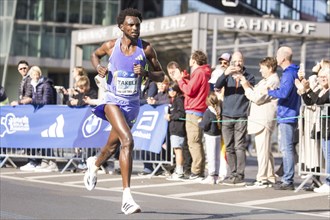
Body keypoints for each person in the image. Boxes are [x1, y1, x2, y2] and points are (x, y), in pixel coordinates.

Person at [85, 8, 165, 215]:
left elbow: (161, 75)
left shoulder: (146, 49)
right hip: (112, 100)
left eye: (137, 24)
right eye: (130, 24)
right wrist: (99, 68)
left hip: (132, 104)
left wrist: (146, 72)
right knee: (127, 141)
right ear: (121, 27)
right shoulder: (111, 46)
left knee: (112, 146)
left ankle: (94, 164)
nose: (135, 28)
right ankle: (127, 198)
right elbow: (95, 55)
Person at [214, 51, 255, 186]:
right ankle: (232, 174)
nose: (237, 63)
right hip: (226, 115)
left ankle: (240, 174)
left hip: (241, 116)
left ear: (243, 62)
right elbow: (217, 86)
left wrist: (244, 81)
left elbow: (252, 92)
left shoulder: (249, 76)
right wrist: (225, 74)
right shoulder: (227, 75)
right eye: (235, 61)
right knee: (229, 147)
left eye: (240, 61)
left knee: (239, 146)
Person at [238, 57, 280, 187]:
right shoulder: (266, 80)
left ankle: (262, 178)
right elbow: (256, 92)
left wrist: (245, 86)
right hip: (261, 119)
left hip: (264, 119)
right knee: (266, 150)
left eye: (262, 67)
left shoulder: (273, 81)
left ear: (270, 68)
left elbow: (257, 98)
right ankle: (270, 176)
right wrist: (249, 86)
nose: (260, 70)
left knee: (262, 151)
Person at [170, 50, 211, 180]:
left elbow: (189, 90)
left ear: (193, 60)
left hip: (194, 110)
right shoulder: (202, 72)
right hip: (197, 109)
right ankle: (198, 170)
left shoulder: (199, 72)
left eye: (190, 58)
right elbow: (193, 88)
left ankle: (196, 171)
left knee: (194, 142)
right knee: (195, 142)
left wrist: (180, 80)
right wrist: (185, 78)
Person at [265, 46, 301, 190]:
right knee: (288, 148)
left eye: (277, 55)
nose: (276, 58)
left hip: (287, 115)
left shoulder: (288, 73)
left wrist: (270, 91)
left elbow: (284, 93)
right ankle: (287, 178)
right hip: (289, 113)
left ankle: (288, 180)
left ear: (283, 58)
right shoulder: (293, 72)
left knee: (286, 149)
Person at [295, 66, 330, 193]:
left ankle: (329, 182)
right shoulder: (321, 89)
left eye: (325, 76)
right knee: (326, 154)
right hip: (322, 126)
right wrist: (304, 91)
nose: (322, 79)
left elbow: (320, 101)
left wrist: (308, 88)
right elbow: (310, 102)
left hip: (328, 126)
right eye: (320, 77)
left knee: (329, 155)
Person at [21, 66, 59, 172]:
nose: (33, 76)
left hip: (46, 115)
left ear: (39, 74)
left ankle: (51, 163)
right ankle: (44, 162)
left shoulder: (46, 85)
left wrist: (31, 100)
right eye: (31, 74)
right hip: (37, 116)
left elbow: (46, 102)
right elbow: (30, 97)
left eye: (35, 73)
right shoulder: (33, 84)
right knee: (40, 140)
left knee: (46, 139)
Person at [166, 61, 192, 177]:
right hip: (176, 123)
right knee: (178, 148)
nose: (171, 74)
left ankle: (186, 169)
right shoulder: (174, 88)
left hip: (186, 116)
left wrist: (171, 116)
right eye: (169, 72)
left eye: (173, 71)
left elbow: (188, 92)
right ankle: (179, 168)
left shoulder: (184, 78)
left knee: (184, 147)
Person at [198, 92, 222, 184]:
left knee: (211, 155)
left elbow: (205, 125)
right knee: (216, 156)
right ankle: (216, 175)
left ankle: (211, 175)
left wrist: (200, 122)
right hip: (218, 135)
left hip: (210, 136)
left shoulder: (208, 112)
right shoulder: (218, 110)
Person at [165, 81, 186, 180]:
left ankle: (179, 171)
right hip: (174, 128)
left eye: (173, 89)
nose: (171, 91)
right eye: (169, 89)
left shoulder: (179, 100)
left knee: (178, 150)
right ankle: (178, 170)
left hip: (178, 128)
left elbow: (181, 113)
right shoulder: (173, 101)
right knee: (176, 150)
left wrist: (171, 116)